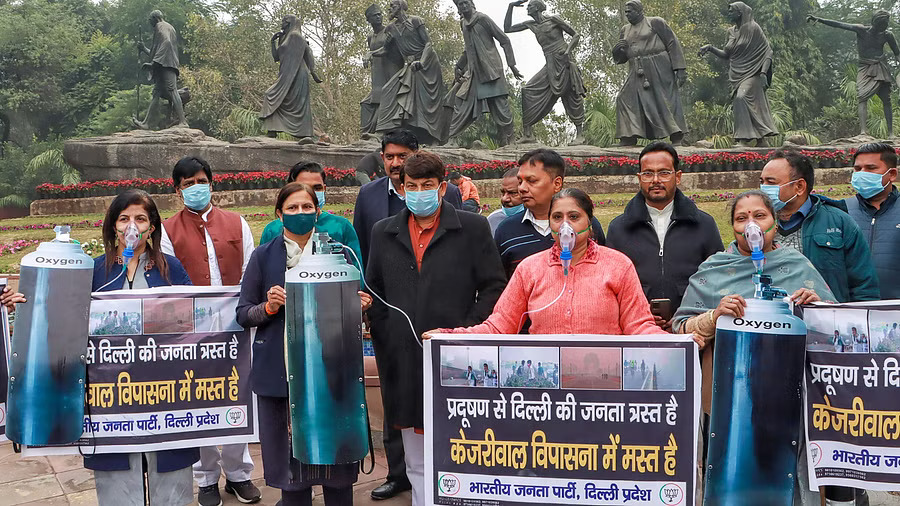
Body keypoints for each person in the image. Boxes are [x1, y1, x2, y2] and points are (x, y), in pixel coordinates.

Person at [0, 190, 198, 505]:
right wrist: (23, 303)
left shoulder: (170, 269)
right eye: (124, 219)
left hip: (164, 397)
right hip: (110, 400)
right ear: (112, 227)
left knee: (172, 485)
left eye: (141, 219)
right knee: (119, 488)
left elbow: (198, 319)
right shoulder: (92, 271)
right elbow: (58, 315)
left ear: (153, 227)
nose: (132, 226)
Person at [670, 190, 834, 506]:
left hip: (789, 401)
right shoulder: (715, 269)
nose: (751, 225)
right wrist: (715, 315)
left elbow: (834, 334)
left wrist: (816, 307)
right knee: (729, 477)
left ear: (775, 221)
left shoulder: (796, 265)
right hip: (726, 402)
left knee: (785, 479)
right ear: (731, 226)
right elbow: (680, 327)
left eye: (759, 216)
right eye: (741, 218)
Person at [365, 151, 506, 506]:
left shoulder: (472, 228)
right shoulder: (384, 232)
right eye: (411, 186)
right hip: (403, 355)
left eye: (427, 185)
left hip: (458, 354)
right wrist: (384, 328)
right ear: (402, 188)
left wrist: (465, 331)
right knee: (414, 452)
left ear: (442, 187)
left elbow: (493, 286)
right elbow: (374, 289)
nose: (419, 192)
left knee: (460, 441)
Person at [237, 182, 373, 506]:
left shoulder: (337, 255)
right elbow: (243, 314)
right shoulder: (263, 257)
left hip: (330, 378)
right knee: (292, 479)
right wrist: (268, 307)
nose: (300, 214)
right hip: (282, 381)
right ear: (278, 214)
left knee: (338, 473)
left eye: (307, 207)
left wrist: (360, 306)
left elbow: (354, 310)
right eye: (292, 208)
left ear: (318, 211)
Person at [158, 156, 261, 506]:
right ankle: (205, 477)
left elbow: (251, 269)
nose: (195, 187)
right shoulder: (167, 230)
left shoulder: (237, 223)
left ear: (211, 183)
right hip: (190, 329)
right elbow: (171, 279)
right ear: (178, 190)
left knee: (236, 393)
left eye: (200, 180)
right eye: (188, 184)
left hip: (236, 322)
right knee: (198, 395)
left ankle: (238, 474)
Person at [438, 188, 661, 336]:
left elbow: (639, 325)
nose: (565, 226)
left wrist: (681, 343)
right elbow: (499, 326)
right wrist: (449, 336)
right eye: (557, 217)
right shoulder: (530, 268)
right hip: (547, 392)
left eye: (574, 217)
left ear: (589, 221)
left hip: (603, 387)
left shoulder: (617, 265)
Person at [607, 142, 723, 330]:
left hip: (690, 328)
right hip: (636, 329)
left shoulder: (703, 224)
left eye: (664, 173)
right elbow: (611, 285)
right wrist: (641, 313)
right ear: (639, 178)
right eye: (647, 173)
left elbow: (716, 279)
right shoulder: (619, 228)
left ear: (677, 176)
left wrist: (687, 317)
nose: (655, 180)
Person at [760, 149, 880, 303]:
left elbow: (864, 287)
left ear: (799, 186)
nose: (763, 188)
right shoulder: (756, 225)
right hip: (770, 321)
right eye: (762, 182)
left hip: (828, 322)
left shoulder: (839, 222)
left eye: (771, 182)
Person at [353, 129, 462, 266]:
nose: (395, 164)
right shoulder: (367, 194)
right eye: (389, 157)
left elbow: (460, 240)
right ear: (382, 157)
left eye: (402, 156)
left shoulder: (447, 192)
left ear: (416, 155)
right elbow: (360, 245)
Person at [494, 149, 605, 279]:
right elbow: (500, 285)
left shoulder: (585, 226)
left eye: (531, 181)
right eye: (520, 182)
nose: (522, 188)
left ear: (557, 184)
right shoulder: (506, 230)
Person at [504, 0, 586, 144]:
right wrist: (511, 6)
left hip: (563, 58)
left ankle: (580, 135)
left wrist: (568, 51)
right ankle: (528, 134)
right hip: (549, 62)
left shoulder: (553, 19)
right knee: (528, 90)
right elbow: (507, 29)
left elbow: (576, 35)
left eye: (530, 5)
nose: (527, 8)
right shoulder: (531, 24)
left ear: (538, 7)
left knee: (571, 94)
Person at [259, 162, 363, 276]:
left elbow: (356, 274)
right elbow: (261, 273)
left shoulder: (341, 226)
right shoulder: (273, 230)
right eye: (304, 186)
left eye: (317, 188)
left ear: (324, 188)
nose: (310, 192)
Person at [808, 11, 899, 138]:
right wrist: (820, 19)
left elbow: (897, 53)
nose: (885, 27)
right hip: (865, 67)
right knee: (862, 96)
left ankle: (891, 134)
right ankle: (863, 132)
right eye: (883, 24)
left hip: (880, 67)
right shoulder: (861, 30)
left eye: (886, 24)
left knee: (886, 99)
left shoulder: (887, 35)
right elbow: (839, 24)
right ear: (875, 23)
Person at [699, 2, 778, 146]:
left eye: (731, 11)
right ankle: (761, 139)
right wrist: (710, 48)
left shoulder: (754, 28)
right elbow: (726, 54)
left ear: (740, 13)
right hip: (737, 73)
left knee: (741, 98)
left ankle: (744, 138)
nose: (729, 14)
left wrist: (763, 73)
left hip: (754, 72)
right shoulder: (731, 31)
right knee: (745, 102)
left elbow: (768, 52)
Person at [448, 0, 524, 146]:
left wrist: (512, 65)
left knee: (500, 108)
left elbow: (504, 39)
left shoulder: (482, 19)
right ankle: (452, 140)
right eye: (459, 4)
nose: (463, 6)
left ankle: (510, 141)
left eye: (465, 3)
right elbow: (468, 48)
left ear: (471, 4)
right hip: (475, 73)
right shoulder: (463, 23)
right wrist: (458, 65)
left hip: (491, 70)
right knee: (461, 103)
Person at [612, 0, 687, 145]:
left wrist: (680, 68)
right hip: (637, 68)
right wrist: (616, 50)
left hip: (659, 65)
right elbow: (622, 58)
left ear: (639, 11)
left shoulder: (655, 22)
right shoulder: (625, 30)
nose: (627, 14)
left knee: (664, 100)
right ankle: (629, 135)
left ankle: (677, 135)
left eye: (630, 11)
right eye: (626, 11)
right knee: (624, 98)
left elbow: (672, 42)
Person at [373, 0, 447, 145]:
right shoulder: (391, 28)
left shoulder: (416, 21)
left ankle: (433, 139)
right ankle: (381, 132)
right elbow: (385, 50)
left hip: (427, 64)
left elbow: (428, 43)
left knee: (426, 101)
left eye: (392, 6)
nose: (389, 9)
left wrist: (422, 62)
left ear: (400, 6)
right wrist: (370, 54)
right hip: (411, 65)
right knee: (389, 89)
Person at [844, 142, 900, 299]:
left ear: (892, 174)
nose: (862, 173)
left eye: (871, 168)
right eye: (857, 169)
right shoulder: (842, 211)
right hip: (849, 310)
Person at [260, 15, 323, 143]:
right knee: (275, 96)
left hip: (298, 74)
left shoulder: (296, 36)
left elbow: (308, 53)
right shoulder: (284, 37)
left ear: (289, 23)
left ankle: (305, 134)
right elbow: (277, 57)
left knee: (297, 102)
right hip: (286, 72)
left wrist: (313, 72)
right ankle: (272, 131)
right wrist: (273, 42)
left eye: (283, 21)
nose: (281, 23)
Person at [133, 10, 188, 130]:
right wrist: (144, 49)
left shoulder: (160, 26)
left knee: (172, 90)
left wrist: (153, 63)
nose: (150, 22)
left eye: (150, 20)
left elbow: (166, 43)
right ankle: (146, 123)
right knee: (156, 93)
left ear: (155, 18)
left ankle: (183, 122)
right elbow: (159, 49)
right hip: (163, 64)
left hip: (167, 65)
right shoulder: (168, 27)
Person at [487, 167, 523, 234]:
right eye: (503, 192)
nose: (504, 199)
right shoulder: (492, 220)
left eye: (513, 193)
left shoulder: (543, 223)